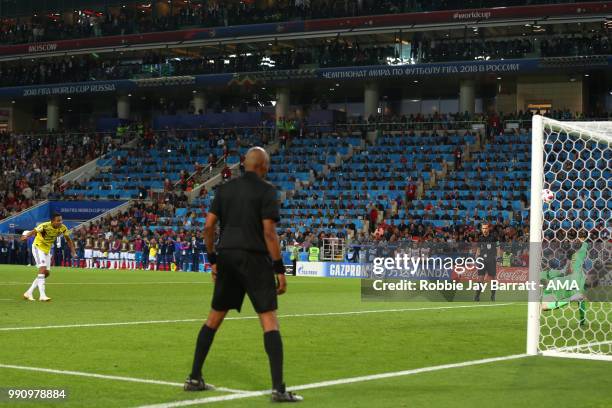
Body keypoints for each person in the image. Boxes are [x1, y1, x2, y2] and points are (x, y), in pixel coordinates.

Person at [185, 147, 302, 402]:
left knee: (213, 319)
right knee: (269, 320)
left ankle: (194, 377)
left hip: (226, 255)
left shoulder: (224, 190)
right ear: (262, 166)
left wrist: (212, 258)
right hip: (254, 257)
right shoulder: (267, 191)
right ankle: (278, 389)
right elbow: (269, 233)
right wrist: (280, 270)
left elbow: (208, 226)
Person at [21, 213, 76, 301]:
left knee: (46, 273)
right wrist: (26, 236)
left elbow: (68, 239)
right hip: (38, 247)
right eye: (58, 221)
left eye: (61, 220)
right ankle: (42, 295)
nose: (60, 222)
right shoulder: (44, 226)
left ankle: (29, 292)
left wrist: (73, 251)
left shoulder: (63, 228)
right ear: (52, 221)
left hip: (47, 249)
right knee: (42, 268)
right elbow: (34, 231)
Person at [474, 223, 498, 302]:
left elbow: (498, 247)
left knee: (493, 278)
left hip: (491, 260)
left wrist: (498, 258)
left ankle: (493, 296)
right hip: (482, 260)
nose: (484, 230)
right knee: (480, 278)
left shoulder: (494, 238)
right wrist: (476, 259)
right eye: (483, 228)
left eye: (486, 228)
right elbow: (478, 250)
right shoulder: (480, 238)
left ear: (488, 229)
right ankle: (477, 296)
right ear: (481, 229)